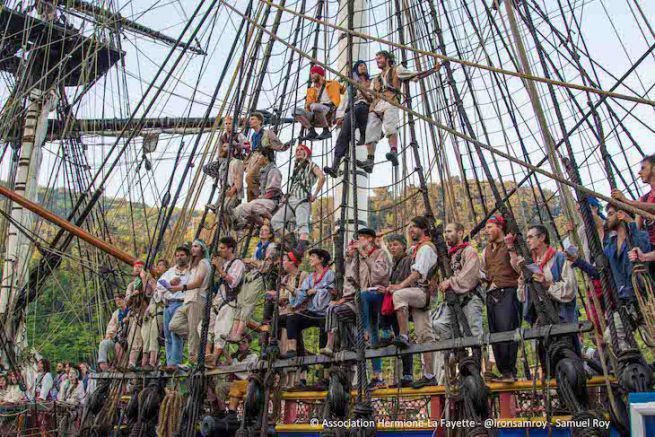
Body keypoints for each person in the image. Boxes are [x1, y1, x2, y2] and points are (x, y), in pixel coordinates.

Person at [326, 228, 390, 389]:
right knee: (370, 334)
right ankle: (376, 375)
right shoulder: (355, 258)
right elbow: (350, 281)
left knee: (371, 331)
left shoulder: (380, 254)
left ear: (369, 239)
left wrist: (364, 255)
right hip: (359, 300)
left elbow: (379, 277)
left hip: (376, 297)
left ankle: (363, 336)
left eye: (361, 238)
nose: (358, 241)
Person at [357, 51, 438, 172]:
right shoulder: (376, 79)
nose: (377, 61)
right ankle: (370, 160)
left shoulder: (397, 70)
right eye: (376, 59)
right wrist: (361, 89)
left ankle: (393, 151)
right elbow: (370, 97)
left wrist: (432, 70)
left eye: (379, 58)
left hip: (391, 101)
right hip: (376, 105)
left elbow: (414, 74)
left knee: (390, 127)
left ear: (387, 59)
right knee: (370, 132)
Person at [510, 225, 579, 355]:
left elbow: (570, 289)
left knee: (568, 352)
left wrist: (547, 285)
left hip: (562, 315)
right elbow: (523, 298)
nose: (528, 240)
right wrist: (522, 281)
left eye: (531, 237)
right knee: (544, 353)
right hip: (540, 315)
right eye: (527, 238)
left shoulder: (560, 258)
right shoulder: (530, 263)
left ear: (542, 237)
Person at [388, 216, 438, 388]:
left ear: (424, 229)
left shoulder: (426, 249)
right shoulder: (415, 249)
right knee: (425, 335)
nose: (411, 231)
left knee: (399, 295)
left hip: (422, 292)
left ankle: (403, 335)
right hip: (419, 294)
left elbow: (418, 272)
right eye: (410, 228)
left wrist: (400, 285)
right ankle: (429, 375)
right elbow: (401, 253)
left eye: (415, 227)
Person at [432, 223, 484, 383]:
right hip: (454, 300)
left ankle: (476, 369)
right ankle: (455, 352)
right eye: (445, 232)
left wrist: (451, 282)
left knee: (475, 333)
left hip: (469, 297)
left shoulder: (469, 251)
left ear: (460, 232)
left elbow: (471, 274)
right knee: (438, 323)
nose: (446, 235)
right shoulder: (447, 255)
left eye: (450, 231)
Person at [480, 215, 521, 383]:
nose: (486, 231)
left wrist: (511, 247)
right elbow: (483, 269)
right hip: (492, 293)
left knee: (507, 330)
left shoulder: (510, 245)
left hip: (508, 291)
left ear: (499, 227)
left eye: (490, 227)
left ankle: (509, 371)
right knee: (495, 333)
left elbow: (518, 268)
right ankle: (503, 370)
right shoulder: (486, 250)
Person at [271, 144, 325, 252]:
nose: (298, 152)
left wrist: (315, 194)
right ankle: (292, 242)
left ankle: (300, 249)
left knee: (302, 224)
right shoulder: (296, 168)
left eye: (301, 150)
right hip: (291, 200)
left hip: (302, 199)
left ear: (307, 153)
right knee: (275, 220)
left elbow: (322, 177)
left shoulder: (311, 165)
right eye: (297, 150)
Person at [378, 234, 414, 387]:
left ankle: (408, 374)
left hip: (402, 303)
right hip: (395, 303)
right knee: (401, 338)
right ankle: (406, 374)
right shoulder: (395, 262)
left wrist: (390, 288)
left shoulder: (406, 261)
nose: (393, 248)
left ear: (403, 246)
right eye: (391, 245)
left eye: (396, 245)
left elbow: (404, 281)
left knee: (403, 337)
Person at [324, 61, 372, 177]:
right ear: (356, 69)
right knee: (343, 135)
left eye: (365, 66)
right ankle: (335, 166)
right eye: (360, 66)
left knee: (369, 133)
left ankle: (369, 161)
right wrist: (340, 116)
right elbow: (345, 101)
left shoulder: (372, 82)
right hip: (354, 110)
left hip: (368, 110)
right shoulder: (351, 87)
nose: (363, 67)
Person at [284, 248, 334, 358]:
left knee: (325, 325)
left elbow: (332, 291)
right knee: (292, 318)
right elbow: (303, 293)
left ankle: (325, 359)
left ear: (321, 259)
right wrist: (291, 290)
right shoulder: (311, 277)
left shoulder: (330, 274)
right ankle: (292, 349)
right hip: (312, 311)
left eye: (313, 257)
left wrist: (317, 291)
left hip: (325, 311)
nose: (310, 259)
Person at [205, 236, 246, 368]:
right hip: (218, 300)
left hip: (229, 301)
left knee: (221, 331)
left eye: (223, 248)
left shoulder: (238, 263)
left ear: (230, 249)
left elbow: (233, 282)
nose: (220, 250)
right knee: (204, 326)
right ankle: (207, 354)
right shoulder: (225, 264)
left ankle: (214, 359)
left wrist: (219, 269)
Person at [169, 239, 212, 364]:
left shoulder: (203, 263)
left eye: (196, 246)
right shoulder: (193, 265)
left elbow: (198, 282)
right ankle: (200, 338)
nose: (193, 248)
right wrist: (175, 282)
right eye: (192, 246)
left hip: (197, 299)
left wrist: (181, 287)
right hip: (188, 300)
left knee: (193, 329)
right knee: (174, 325)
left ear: (202, 249)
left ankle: (193, 358)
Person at [265, 251, 308, 359]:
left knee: (290, 319)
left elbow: (304, 294)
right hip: (286, 311)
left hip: (298, 311)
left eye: (284, 260)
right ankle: (273, 347)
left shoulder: (303, 275)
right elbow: (282, 296)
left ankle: (291, 350)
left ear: (292, 262)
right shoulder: (285, 278)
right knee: (275, 320)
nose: (282, 263)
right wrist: (276, 297)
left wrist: (285, 297)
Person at [204, 121, 246, 228]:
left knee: (226, 207)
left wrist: (235, 146)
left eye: (230, 123)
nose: (227, 126)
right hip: (224, 161)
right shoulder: (222, 137)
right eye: (226, 124)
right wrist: (221, 154)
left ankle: (227, 185)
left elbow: (245, 146)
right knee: (208, 168)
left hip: (236, 160)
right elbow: (220, 151)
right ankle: (223, 185)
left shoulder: (238, 135)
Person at [158, 244, 191, 371]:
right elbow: (160, 284)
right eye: (177, 255)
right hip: (169, 303)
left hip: (182, 303)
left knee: (175, 332)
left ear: (187, 256)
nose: (179, 257)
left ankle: (175, 362)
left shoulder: (191, 271)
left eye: (182, 255)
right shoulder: (171, 271)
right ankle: (169, 361)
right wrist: (170, 283)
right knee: (167, 335)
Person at [245, 112, 291, 201]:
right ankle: (253, 203)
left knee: (249, 178)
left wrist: (286, 146)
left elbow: (278, 146)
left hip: (264, 160)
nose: (250, 121)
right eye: (250, 119)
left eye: (253, 119)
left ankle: (259, 198)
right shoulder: (253, 136)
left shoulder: (268, 133)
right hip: (254, 161)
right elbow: (252, 151)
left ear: (260, 121)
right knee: (250, 185)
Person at [611, 155, 655, 246]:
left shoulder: (639, 202)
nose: (639, 172)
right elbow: (637, 228)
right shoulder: (643, 199)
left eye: (643, 168)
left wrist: (627, 201)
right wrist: (627, 218)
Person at [234, 148, 283, 229]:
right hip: (265, 200)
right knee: (241, 209)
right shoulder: (263, 171)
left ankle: (273, 223)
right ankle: (257, 224)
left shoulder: (274, 171)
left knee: (251, 206)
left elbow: (274, 191)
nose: (258, 158)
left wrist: (260, 197)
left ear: (266, 157)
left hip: (273, 202)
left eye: (260, 155)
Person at [215, 334, 259, 419]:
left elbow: (237, 366)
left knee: (237, 387)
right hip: (234, 384)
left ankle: (234, 414)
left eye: (244, 342)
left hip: (247, 385)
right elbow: (225, 365)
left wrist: (224, 351)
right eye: (239, 342)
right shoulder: (234, 355)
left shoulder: (253, 356)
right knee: (219, 387)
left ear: (249, 344)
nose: (241, 344)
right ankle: (222, 412)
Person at [294, 65, 342, 141]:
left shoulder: (333, 84)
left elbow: (344, 90)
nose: (311, 75)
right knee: (295, 111)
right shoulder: (311, 90)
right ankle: (311, 131)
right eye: (311, 74)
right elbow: (309, 106)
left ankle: (326, 131)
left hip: (329, 111)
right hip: (315, 113)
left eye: (313, 73)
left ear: (320, 74)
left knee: (315, 106)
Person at [124, 260, 156, 369]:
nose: (138, 269)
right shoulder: (132, 285)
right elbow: (127, 303)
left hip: (148, 314)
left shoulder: (150, 281)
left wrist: (144, 279)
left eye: (140, 267)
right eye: (136, 267)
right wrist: (132, 295)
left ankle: (147, 362)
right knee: (134, 339)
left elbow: (150, 294)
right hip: (136, 314)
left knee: (148, 339)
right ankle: (132, 362)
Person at [98, 294, 129, 371]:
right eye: (116, 301)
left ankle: (122, 365)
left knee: (118, 345)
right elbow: (110, 328)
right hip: (117, 337)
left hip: (128, 338)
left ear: (124, 299)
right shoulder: (116, 314)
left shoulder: (130, 311)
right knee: (104, 343)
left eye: (119, 300)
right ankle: (103, 364)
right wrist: (110, 334)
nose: (118, 302)